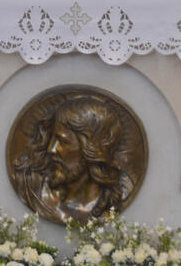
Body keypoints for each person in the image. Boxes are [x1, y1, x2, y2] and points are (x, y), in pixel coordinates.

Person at [11, 95, 136, 224]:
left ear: (91, 149)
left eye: (62, 141)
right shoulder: (31, 185)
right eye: (52, 138)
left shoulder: (121, 194)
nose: (51, 149)